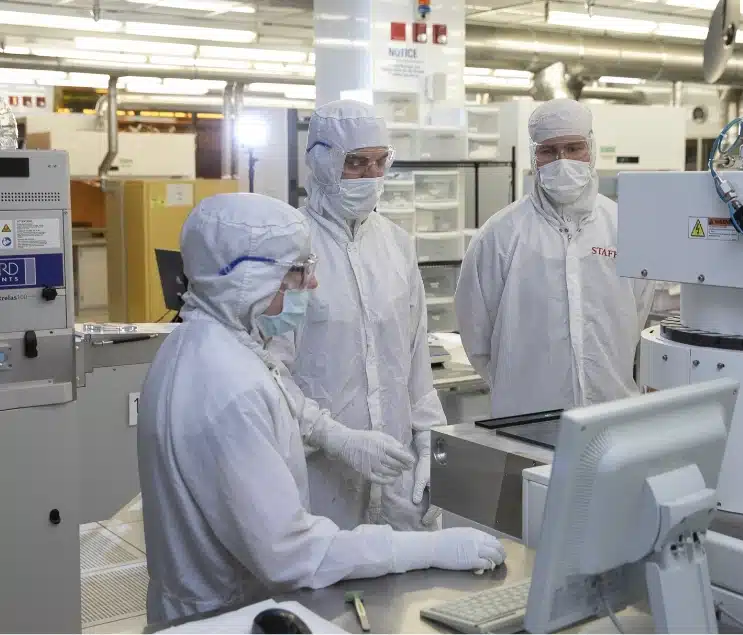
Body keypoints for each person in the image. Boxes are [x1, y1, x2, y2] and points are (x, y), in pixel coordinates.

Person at [137, 193, 505, 623]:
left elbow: (281, 391)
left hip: (218, 607)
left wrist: (353, 437)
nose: (311, 283)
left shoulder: (198, 344)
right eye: (297, 272)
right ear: (246, 279)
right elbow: (290, 553)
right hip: (228, 616)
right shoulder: (228, 387)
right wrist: (428, 548)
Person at [271, 100, 445, 532]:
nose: (370, 176)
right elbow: (271, 373)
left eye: (379, 162)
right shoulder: (289, 248)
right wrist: (336, 438)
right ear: (324, 162)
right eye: (355, 163)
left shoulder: (397, 245)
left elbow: (415, 358)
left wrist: (431, 445)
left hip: (398, 476)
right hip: (321, 479)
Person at [455, 99, 655, 418]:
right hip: (525, 417)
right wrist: (518, 389)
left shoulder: (625, 227)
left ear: (591, 148)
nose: (562, 161)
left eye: (574, 148)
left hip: (612, 410)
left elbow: (639, 312)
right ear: (534, 156)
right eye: (549, 151)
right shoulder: (499, 235)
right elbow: (475, 331)